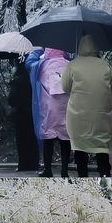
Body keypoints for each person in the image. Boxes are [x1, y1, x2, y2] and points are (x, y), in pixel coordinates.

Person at [61, 34, 112, 177]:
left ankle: (82, 175)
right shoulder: (105, 65)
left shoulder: (72, 65)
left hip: (77, 116)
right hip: (101, 116)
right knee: (102, 148)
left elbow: (65, 87)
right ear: (95, 47)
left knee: (80, 148)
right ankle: (105, 174)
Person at [36, 48, 72, 177]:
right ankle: (64, 170)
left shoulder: (43, 66)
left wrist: (37, 53)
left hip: (49, 106)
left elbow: (36, 76)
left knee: (48, 138)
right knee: (66, 138)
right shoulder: (69, 65)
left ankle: (48, 170)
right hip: (66, 105)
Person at [7, 61, 40, 171]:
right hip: (31, 114)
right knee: (32, 140)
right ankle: (34, 164)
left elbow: (11, 100)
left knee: (21, 141)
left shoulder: (16, 82)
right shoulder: (31, 80)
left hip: (20, 115)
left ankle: (23, 165)